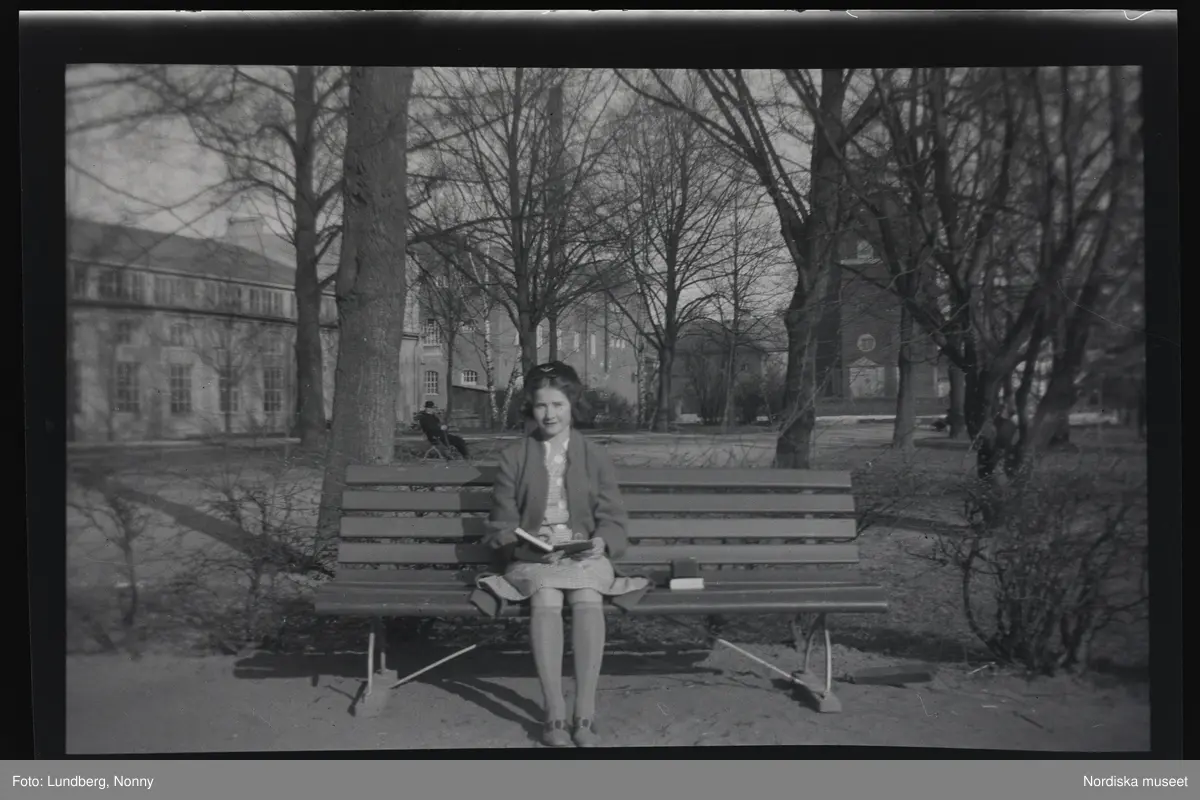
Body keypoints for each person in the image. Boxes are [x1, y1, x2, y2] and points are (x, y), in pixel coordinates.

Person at [469, 361, 651, 748]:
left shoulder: (593, 455)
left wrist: (602, 541)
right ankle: (554, 710)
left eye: (558, 405)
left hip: (584, 556)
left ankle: (584, 711)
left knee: (587, 594)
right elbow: (501, 524)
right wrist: (527, 547)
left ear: (572, 406)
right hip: (532, 558)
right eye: (541, 405)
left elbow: (613, 517)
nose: (549, 414)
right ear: (530, 408)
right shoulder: (515, 457)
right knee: (546, 595)